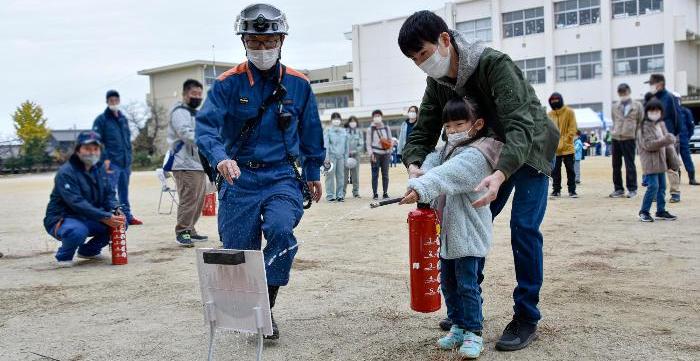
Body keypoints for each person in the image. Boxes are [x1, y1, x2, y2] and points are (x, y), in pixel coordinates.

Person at [398, 11, 559, 351]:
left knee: (524, 229)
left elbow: (520, 123)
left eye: (424, 54)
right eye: (415, 60)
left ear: (445, 40)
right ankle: (467, 310)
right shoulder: (438, 83)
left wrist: (501, 174)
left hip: (529, 149)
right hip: (488, 153)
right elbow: (425, 127)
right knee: (471, 222)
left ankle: (526, 316)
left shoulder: (493, 64)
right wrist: (415, 164)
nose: (422, 64)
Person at [195, 3, 324, 340]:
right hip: (239, 177)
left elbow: (311, 131)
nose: (263, 49)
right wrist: (220, 157)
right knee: (240, 251)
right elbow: (206, 128)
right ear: (244, 42)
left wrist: (312, 172)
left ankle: (264, 310)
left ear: (282, 40)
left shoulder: (299, 84)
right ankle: (252, 308)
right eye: (255, 42)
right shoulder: (227, 84)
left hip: (282, 175)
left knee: (282, 230)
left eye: (270, 42)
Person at [400, 97, 503, 359]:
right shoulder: (446, 150)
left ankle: (474, 331)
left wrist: (423, 185)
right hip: (446, 235)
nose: (453, 131)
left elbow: (451, 174)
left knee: (468, 285)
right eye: (448, 126)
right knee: (448, 283)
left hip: (468, 235)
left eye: (460, 124)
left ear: (477, 124)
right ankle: (457, 325)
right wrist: (417, 177)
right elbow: (432, 165)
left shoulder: (480, 154)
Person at [43, 131, 124, 267]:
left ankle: (89, 251)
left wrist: (116, 208)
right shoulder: (66, 172)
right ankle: (64, 256)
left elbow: (109, 194)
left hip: (91, 217)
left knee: (120, 222)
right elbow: (76, 202)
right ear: (78, 150)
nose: (92, 153)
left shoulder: (100, 169)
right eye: (87, 148)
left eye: (95, 149)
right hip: (64, 218)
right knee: (76, 231)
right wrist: (104, 216)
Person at [167, 79, 208, 247]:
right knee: (189, 198)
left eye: (199, 94)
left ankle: (190, 229)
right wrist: (206, 140)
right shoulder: (179, 112)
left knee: (198, 199)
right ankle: (182, 230)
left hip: (197, 163)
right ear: (185, 94)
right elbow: (185, 133)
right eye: (193, 94)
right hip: (184, 162)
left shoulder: (195, 113)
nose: (197, 97)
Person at [92, 90, 142, 225]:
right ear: (107, 102)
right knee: (110, 190)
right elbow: (96, 141)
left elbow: (127, 139)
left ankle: (127, 216)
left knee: (124, 190)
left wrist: (130, 156)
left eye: (116, 100)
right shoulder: (101, 120)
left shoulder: (123, 118)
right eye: (111, 100)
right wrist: (105, 158)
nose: (114, 102)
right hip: (111, 162)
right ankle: (111, 216)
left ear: (119, 101)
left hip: (125, 162)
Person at [637, 99, 678, 222]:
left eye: (657, 110)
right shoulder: (643, 127)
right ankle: (644, 211)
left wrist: (673, 158)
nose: (655, 113)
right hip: (650, 162)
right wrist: (667, 140)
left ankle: (660, 211)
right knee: (653, 186)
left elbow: (668, 141)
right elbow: (648, 145)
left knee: (662, 187)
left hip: (661, 160)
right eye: (652, 110)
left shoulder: (661, 124)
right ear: (647, 112)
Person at [647, 74, 681, 202]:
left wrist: (673, 134)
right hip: (656, 137)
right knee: (657, 165)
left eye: (652, 83)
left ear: (660, 84)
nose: (651, 86)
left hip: (667, 136)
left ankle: (675, 193)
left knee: (671, 165)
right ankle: (657, 193)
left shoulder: (669, 98)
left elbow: (677, 117)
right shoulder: (653, 99)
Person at [609, 83, 642, 198]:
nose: (623, 95)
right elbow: (614, 120)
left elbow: (640, 121)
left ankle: (632, 188)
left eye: (625, 92)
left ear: (629, 92)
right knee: (616, 165)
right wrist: (616, 131)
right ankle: (618, 189)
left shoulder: (637, 105)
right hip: (616, 137)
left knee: (630, 164)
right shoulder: (615, 106)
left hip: (629, 138)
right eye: (621, 93)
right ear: (618, 93)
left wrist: (633, 132)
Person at [548, 92, 578, 198]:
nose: (555, 102)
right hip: (555, 150)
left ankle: (572, 190)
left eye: (557, 100)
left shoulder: (569, 112)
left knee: (570, 170)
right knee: (555, 171)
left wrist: (564, 141)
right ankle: (556, 190)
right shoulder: (549, 115)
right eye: (552, 101)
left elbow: (573, 129)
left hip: (568, 148)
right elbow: (548, 131)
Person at [366, 109, 393, 200]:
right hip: (375, 154)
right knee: (375, 174)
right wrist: (371, 154)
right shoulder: (370, 129)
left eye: (378, 116)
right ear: (373, 118)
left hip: (385, 154)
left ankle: (385, 192)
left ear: (381, 117)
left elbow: (390, 140)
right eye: (375, 116)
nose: (377, 117)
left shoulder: (386, 128)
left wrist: (390, 151)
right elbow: (368, 144)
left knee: (385, 174)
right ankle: (375, 193)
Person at [324, 112, 349, 202]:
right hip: (331, 157)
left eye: (338, 119)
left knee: (341, 176)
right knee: (329, 177)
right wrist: (326, 157)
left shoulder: (344, 131)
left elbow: (347, 146)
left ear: (340, 120)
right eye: (334, 119)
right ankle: (330, 196)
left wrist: (346, 158)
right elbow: (325, 145)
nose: (336, 121)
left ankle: (340, 195)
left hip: (341, 157)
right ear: (331, 121)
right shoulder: (328, 131)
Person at [677, 100, 698, 185]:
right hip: (672, 140)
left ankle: (692, 178)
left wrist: (687, 137)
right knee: (673, 160)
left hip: (683, 139)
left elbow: (691, 126)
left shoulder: (685, 111)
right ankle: (676, 179)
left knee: (687, 159)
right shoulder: (668, 111)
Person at [344, 116, 364, 198]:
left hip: (355, 156)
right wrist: (346, 151)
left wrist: (355, 151)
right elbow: (342, 143)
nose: (353, 123)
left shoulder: (359, 132)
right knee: (344, 175)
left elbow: (361, 144)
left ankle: (355, 192)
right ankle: (342, 192)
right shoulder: (344, 131)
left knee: (355, 175)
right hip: (345, 156)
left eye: (354, 121)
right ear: (348, 123)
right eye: (351, 121)